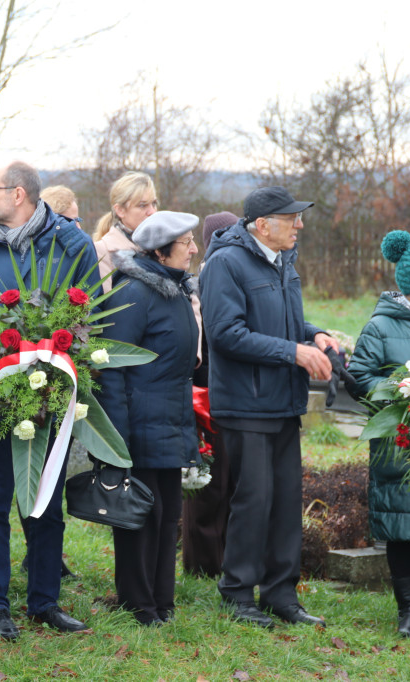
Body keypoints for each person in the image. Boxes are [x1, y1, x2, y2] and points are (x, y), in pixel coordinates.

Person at [0, 160, 98, 640]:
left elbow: (88, 312)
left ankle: (44, 602)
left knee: (45, 500)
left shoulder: (72, 243)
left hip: (52, 389)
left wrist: (54, 361)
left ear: (18, 194)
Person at [200, 186, 338, 628]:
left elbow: (286, 322)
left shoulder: (283, 260)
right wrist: (294, 353)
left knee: (284, 501)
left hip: (283, 402)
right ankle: (237, 593)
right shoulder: (225, 263)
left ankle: (281, 595)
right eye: (291, 218)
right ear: (262, 225)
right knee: (253, 501)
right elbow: (226, 334)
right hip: (245, 403)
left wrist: (313, 334)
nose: (300, 225)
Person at [97, 211, 200, 625]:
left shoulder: (174, 289)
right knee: (139, 515)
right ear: (160, 251)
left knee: (167, 512)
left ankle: (163, 600)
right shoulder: (134, 294)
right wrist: (116, 438)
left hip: (170, 420)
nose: (194, 249)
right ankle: (138, 603)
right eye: (186, 243)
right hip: (137, 425)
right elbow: (112, 366)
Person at [348, 230, 410, 637]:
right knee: (401, 525)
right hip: (399, 442)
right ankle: (408, 611)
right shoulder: (382, 326)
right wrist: (401, 398)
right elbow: (358, 376)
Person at [181, 211, 239, 578]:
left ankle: (222, 558)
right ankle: (202, 564)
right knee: (206, 486)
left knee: (228, 482)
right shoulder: (200, 286)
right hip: (204, 396)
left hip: (229, 394)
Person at [93, 171, 158, 292]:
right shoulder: (103, 250)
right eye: (142, 205)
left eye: (154, 203)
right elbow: (106, 304)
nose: (152, 211)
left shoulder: (164, 244)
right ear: (120, 210)